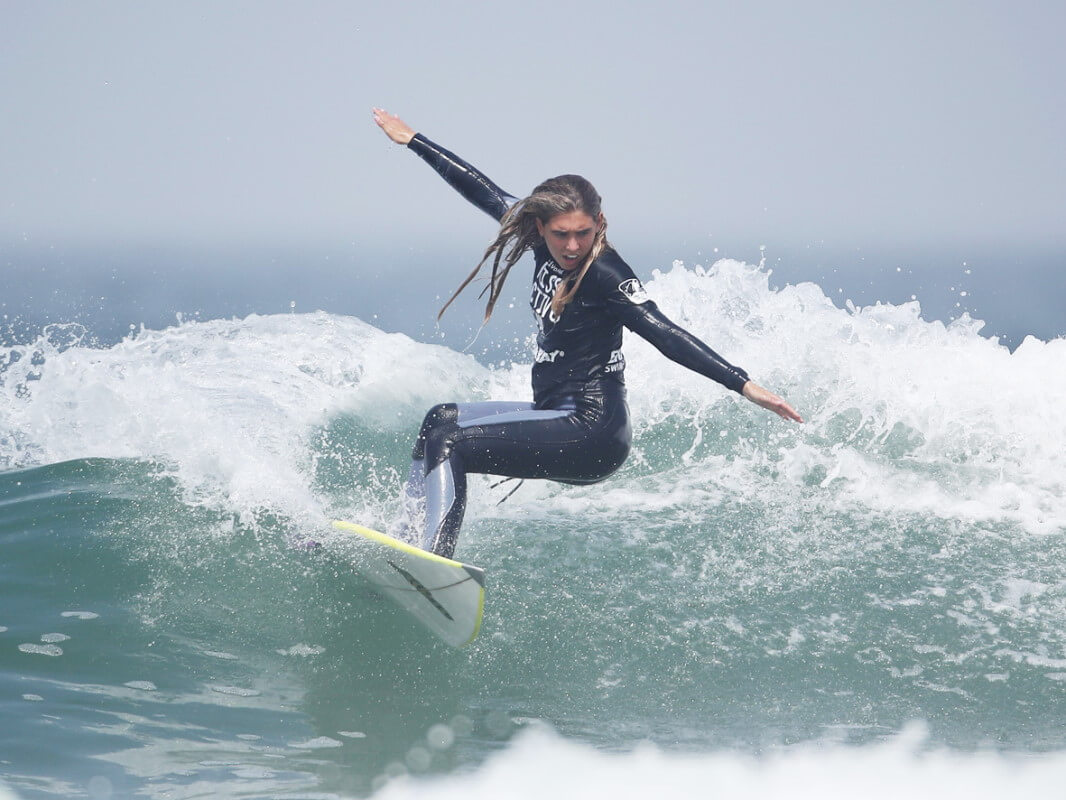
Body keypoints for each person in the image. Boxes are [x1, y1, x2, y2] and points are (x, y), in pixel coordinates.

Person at [372, 108, 803, 559]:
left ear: (599, 222)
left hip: (592, 431)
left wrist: (745, 384)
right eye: (561, 235)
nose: (573, 246)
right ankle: (406, 540)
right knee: (439, 420)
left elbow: (664, 332)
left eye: (583, 232)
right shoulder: (538, 239)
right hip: (554, 413)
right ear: (541, 228)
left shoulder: (606, 274)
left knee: (450, 442)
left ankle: (432, 561)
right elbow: (484, 191)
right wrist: (415, 141)